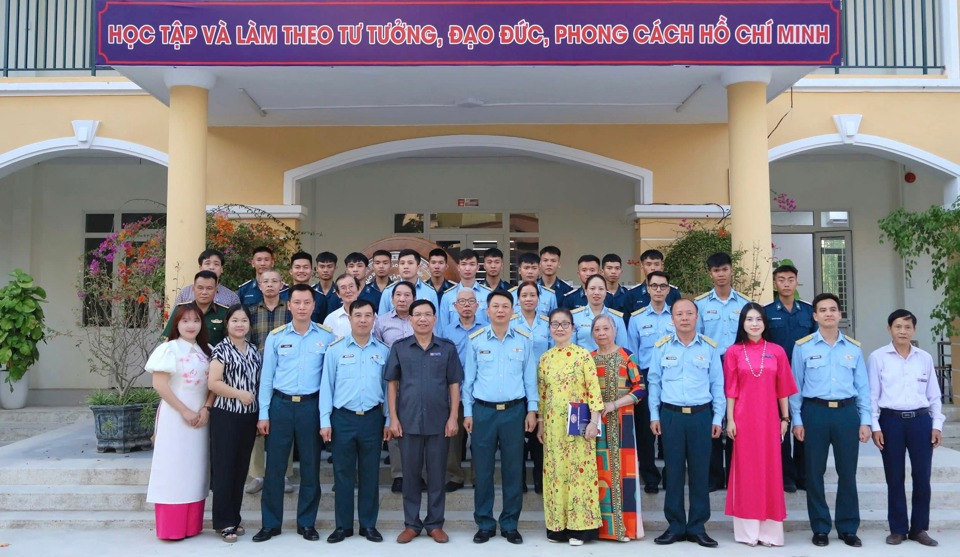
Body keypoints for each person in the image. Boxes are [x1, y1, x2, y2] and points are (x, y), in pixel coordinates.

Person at [253, 284, 336, 543]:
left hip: (311, 406)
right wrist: (263, 413)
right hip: (280, 405)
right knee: (275, 468)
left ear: (314, 306)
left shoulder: (327, 337)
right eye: (296, 302)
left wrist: (325, 418)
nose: (301, 307)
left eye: (306, 303)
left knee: (311, 467)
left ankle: (306, 523)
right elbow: (266, 379)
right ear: (289, 305)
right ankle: (270, 524)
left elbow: (328, 382)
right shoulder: (277, 337)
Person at [789, 293, 871, 548]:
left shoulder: (853, 348)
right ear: (814, 316)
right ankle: (821, 527)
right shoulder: (802, 346)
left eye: (832, 309)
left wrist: (865, 420)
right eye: (822, 310)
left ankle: (848, 527)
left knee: (848, 473)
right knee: (814, 473)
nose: (828, 314)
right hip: (815, 413)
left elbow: (863, 388)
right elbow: (796, 387)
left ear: (839, 314)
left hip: (847, 414)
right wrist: (797, 420)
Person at [463, 290, 538, 545]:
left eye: (505, 306)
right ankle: (484, 523)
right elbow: (468, 381)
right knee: (482, 471)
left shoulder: (524, 339)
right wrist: (468, 412)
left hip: (514, 412)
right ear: (487, 310)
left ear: (512, 310)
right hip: (483, 412)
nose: (500, 310)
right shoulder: (476, 340)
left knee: (513, 469)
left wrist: (532, 410)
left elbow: (530, 378)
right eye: (495, 306)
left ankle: (509, 524)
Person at [386, 299, 463, 544]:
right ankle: (411, 524)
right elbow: (392, 384)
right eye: (417, 314)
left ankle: (434, 523)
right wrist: (393, 418)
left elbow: (454, 384)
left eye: (427, 314)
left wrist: (453, 417)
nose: (422, 318)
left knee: (437, 475)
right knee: (410, 476)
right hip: (407, 422)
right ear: (410, 319)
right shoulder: (400, 347)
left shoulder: (447, 348)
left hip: (439, 422)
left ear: (435, 318)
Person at [648, 298, 724, 548]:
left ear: (697, 316)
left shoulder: (709, 347)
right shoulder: (662, 346)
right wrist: (654, 415)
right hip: (671, 416)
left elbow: (717, 385)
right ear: (672, 319)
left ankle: (698, 526)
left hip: (701, 415)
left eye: (689, 313)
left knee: (701, 472)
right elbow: (655, 383)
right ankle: (676, 525)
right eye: (679, 314)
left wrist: (717, 417)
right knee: (674, 471)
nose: (684, 318)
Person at [868, 309, 944, 547]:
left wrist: (937, 424)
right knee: (894, 476)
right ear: (889, 329)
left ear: (914, 330)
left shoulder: (924, 358)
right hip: (891, 421)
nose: (903, 331)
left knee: (922, 476)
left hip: (921, 422)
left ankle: (919, 528)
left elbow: (934, 395)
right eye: (898, 326)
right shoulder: (878, 357)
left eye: (908, 327)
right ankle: (898, 529)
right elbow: (872, 395)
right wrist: (875, 426)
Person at [723, 303, 797, 547]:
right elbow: (731, 390)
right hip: (743, 421)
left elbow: (783, 389)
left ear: (765, 323)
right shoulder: (734, 351)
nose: (754, 324)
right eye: (749, 319)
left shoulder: (776, 351)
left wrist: (785, 418)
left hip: (769, 420)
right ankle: (748, 532)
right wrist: (731, 419)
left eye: (758, 319)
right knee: (746, 473)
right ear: (742, 323)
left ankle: (770, 533)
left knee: (770, 471)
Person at [319, 298, 391, 544]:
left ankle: (369, 525)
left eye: (367, 315)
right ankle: (343, 526)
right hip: (343, 419)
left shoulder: (383, 351)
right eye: (357, 315)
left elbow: (388, 389)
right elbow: (326, 387)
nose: (362, 320)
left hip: (372, 418)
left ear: (374, 319)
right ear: (349, 318)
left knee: (371, 473)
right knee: (343, 474)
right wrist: (324, 421)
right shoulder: (335, 350)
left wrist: (389, 420)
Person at [144, 303, 215, 540]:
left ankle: (192, 525)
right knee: (173, 469)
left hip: (200, 421)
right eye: (185, 321)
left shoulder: (208, 350)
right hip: (175, 419)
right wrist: (184, 410)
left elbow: (214, 384)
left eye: (195, 320)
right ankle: (172, 527)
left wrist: (206, 409)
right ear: (176, 324)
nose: (191, 325)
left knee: (195, 470)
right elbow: (160, 385)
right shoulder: (169, 349)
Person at [537, 307, 603, 546]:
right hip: (554, 428)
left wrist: (594, 422)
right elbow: (542, 395)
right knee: (556, 475)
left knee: (579, 475)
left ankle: (580, 528)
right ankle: (557, 527)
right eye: (555, 324)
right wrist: (542, 424)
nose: (560, 328)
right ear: (550, 329)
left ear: (573, 328)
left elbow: (594, 391)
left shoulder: (583, 355)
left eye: (565, 324)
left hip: (579, 426)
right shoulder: (545, 358)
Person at [695, 251, 750, 492]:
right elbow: (697, 336)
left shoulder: (744, 303)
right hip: (713, 364)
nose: (721, 274)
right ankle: (715, 476)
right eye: (716, 270)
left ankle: (738, 475)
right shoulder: (701, 304)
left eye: (724, 269)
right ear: (710, 274)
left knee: (738, 418)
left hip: (740, 364)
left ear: (731, 271)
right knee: (715, 416)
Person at [208, 304, 262, 543]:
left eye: (244, 320)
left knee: (240, 469)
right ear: (227, 324)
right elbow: (213, 382)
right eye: (235, 320)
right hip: (226, 416)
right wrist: (238, 394)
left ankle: (235, 517)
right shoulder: (221, 350)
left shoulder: (253, 350)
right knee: (224, 468)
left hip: (248, 416)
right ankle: (223, 522)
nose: (239, 324)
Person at [591, 314, 644, 542]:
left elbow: (640, 388)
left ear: (614, 330)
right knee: (598, 474)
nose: (602, 333)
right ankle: (600, 529)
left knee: (624, 475)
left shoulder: (626, 356)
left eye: (606, 328)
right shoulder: (588, 359)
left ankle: (624, 528)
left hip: (623, 421)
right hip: (595, 424)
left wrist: (615, 404)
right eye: (597, 329)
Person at [764, 263, 816, 493]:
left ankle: (804, 474)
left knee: (802, 423)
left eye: (790, 279)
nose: (786, 284)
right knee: (781, 426)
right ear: (775, 284)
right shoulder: (766, 312)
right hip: (775, 378)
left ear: (796, 282)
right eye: (781, 280)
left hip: (804, 377)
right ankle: (786, 475)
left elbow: (816, 342)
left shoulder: (808, 311)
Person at [245, 269, 294, 496]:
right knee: (258, 422)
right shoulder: (252, 312)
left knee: (284, 424)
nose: (270, 285)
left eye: (275, 281)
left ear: (281, 284)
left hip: (287, 374)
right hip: (258, 374)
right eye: (266, 281)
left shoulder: (291, 310)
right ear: (259, 284)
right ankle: (257, 474)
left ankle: (283, 474)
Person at [626, 271, 674, 494]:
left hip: (672, 375)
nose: (658, 290)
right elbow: (632, 353)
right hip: (645, 376)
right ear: (647, 288)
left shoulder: (676, 315)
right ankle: (650, 475)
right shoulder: (637, 318)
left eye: (662, 286)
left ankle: (671, 474)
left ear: (668, 289)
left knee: (670, 428)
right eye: (653, 286)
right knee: (646, 431)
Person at [438, 288, 484, 492]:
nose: (466, 305)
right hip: (454, 392)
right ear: (455, 306)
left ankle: (478, 475)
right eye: (462, 301)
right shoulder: (445, 332)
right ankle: (454, 475)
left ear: (477, 305)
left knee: (480, 438)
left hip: (479, 391)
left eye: (470, 301)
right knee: (453, 437)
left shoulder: (486, 328)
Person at [373, 281, 416, 493]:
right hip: (393, 380)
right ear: (391, 299)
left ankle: (419, 474)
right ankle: (399, 474)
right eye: (398, 295)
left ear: (413, 298)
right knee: (394, 422)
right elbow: (377, 349)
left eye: (407, 295)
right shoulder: (381, 322)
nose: (402, 299)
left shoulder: (421, 318)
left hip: (419, 379)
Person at [511, 280, 552, 494]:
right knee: (518, 436)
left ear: (539, 299)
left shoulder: (547, 323)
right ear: (518, 299)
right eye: (524, 295)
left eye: (532, 295)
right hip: (516, 385)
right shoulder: (510, 323)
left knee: (540, 434)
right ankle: (519, 480)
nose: (528, 299)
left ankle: (539, 477)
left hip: (543, 386)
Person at [162, 270, 229, 345]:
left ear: (216, 290)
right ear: (193, 289)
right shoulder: (180, 309)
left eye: (209, 288)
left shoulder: (225, 312)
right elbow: (169, 339)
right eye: (200, 288)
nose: (204, 292)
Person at [571, 274, 628, 352]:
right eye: (592, 288)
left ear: (606, 292)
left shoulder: (616, 318)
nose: (596, 292)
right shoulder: (575, 317)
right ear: (586, 291)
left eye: (601, 289)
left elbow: (623, 349)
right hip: (583, 363)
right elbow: (570, 349)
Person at [439, 249, 491, 330]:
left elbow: (492, 326)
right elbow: (443, 328)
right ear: (458, 267)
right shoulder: (447, 296)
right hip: (454, 342)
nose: (467, 268)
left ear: (478, 267)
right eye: (463, 264)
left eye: (472, 264)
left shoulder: (488, 295)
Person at [379, 249, 439, 315]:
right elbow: (382, 321)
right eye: (402, 263)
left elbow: (435, 321)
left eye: (410, 263)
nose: (406, 267)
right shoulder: (388, 291)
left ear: (418, 267)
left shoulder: (430, 292)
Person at [174, 248, 241, 307]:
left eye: (216, 264)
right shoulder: (185, 293)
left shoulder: (231, 297)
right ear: (200, 268)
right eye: (207, 263)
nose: (211, 267)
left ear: (221, 269)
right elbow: (174, 319)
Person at [627, 250, 681, 316]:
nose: (653, 268)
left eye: (656, 264)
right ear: (642, 267)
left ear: (662, 267)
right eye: (648, 264)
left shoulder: (673, 292)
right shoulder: (632, 294)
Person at [510, 252, 558, 317]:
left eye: (534, 268)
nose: (530, 272)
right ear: (519, 270)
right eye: (526, 268)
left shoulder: (550, 295)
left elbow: (554, 320)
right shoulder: (510, 295)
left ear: (539, 270)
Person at [282, 251, 324, 323]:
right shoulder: (281, 296)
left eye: (305, 267)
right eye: (297, 267)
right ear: (291, 271)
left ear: (312, 271)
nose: (301, 271)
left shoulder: (320, 298)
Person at [323, 273, 361, 339]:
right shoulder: (331, 319)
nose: (348, 291)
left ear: (358, 290)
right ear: (338, 294)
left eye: (351, 286)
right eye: (343, 288)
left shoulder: (370, 315)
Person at [312, 251, 339, 323]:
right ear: (316, 268)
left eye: (329, 266)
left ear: (335, 268)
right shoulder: (310, 292)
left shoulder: (341, 292)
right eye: (322, 266)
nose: (325, 270)